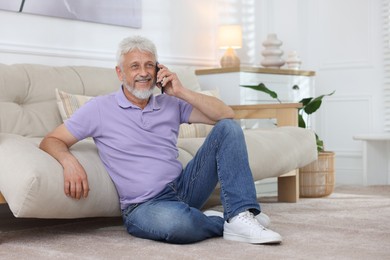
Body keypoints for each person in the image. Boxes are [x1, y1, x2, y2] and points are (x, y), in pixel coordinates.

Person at [39, 35, 282, 245]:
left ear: (158, 69)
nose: (143, 73)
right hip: (144, 206)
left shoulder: (170, 103)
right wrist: (69, 162)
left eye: (149, 65)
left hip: (184, 187)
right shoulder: (99, 109)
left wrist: (180, 91)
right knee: (179, 225)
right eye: (134, 66)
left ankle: (239, 214)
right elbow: (52, 140)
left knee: (229, 129)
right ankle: (229, 220)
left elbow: (226, 115)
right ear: (119, 72)